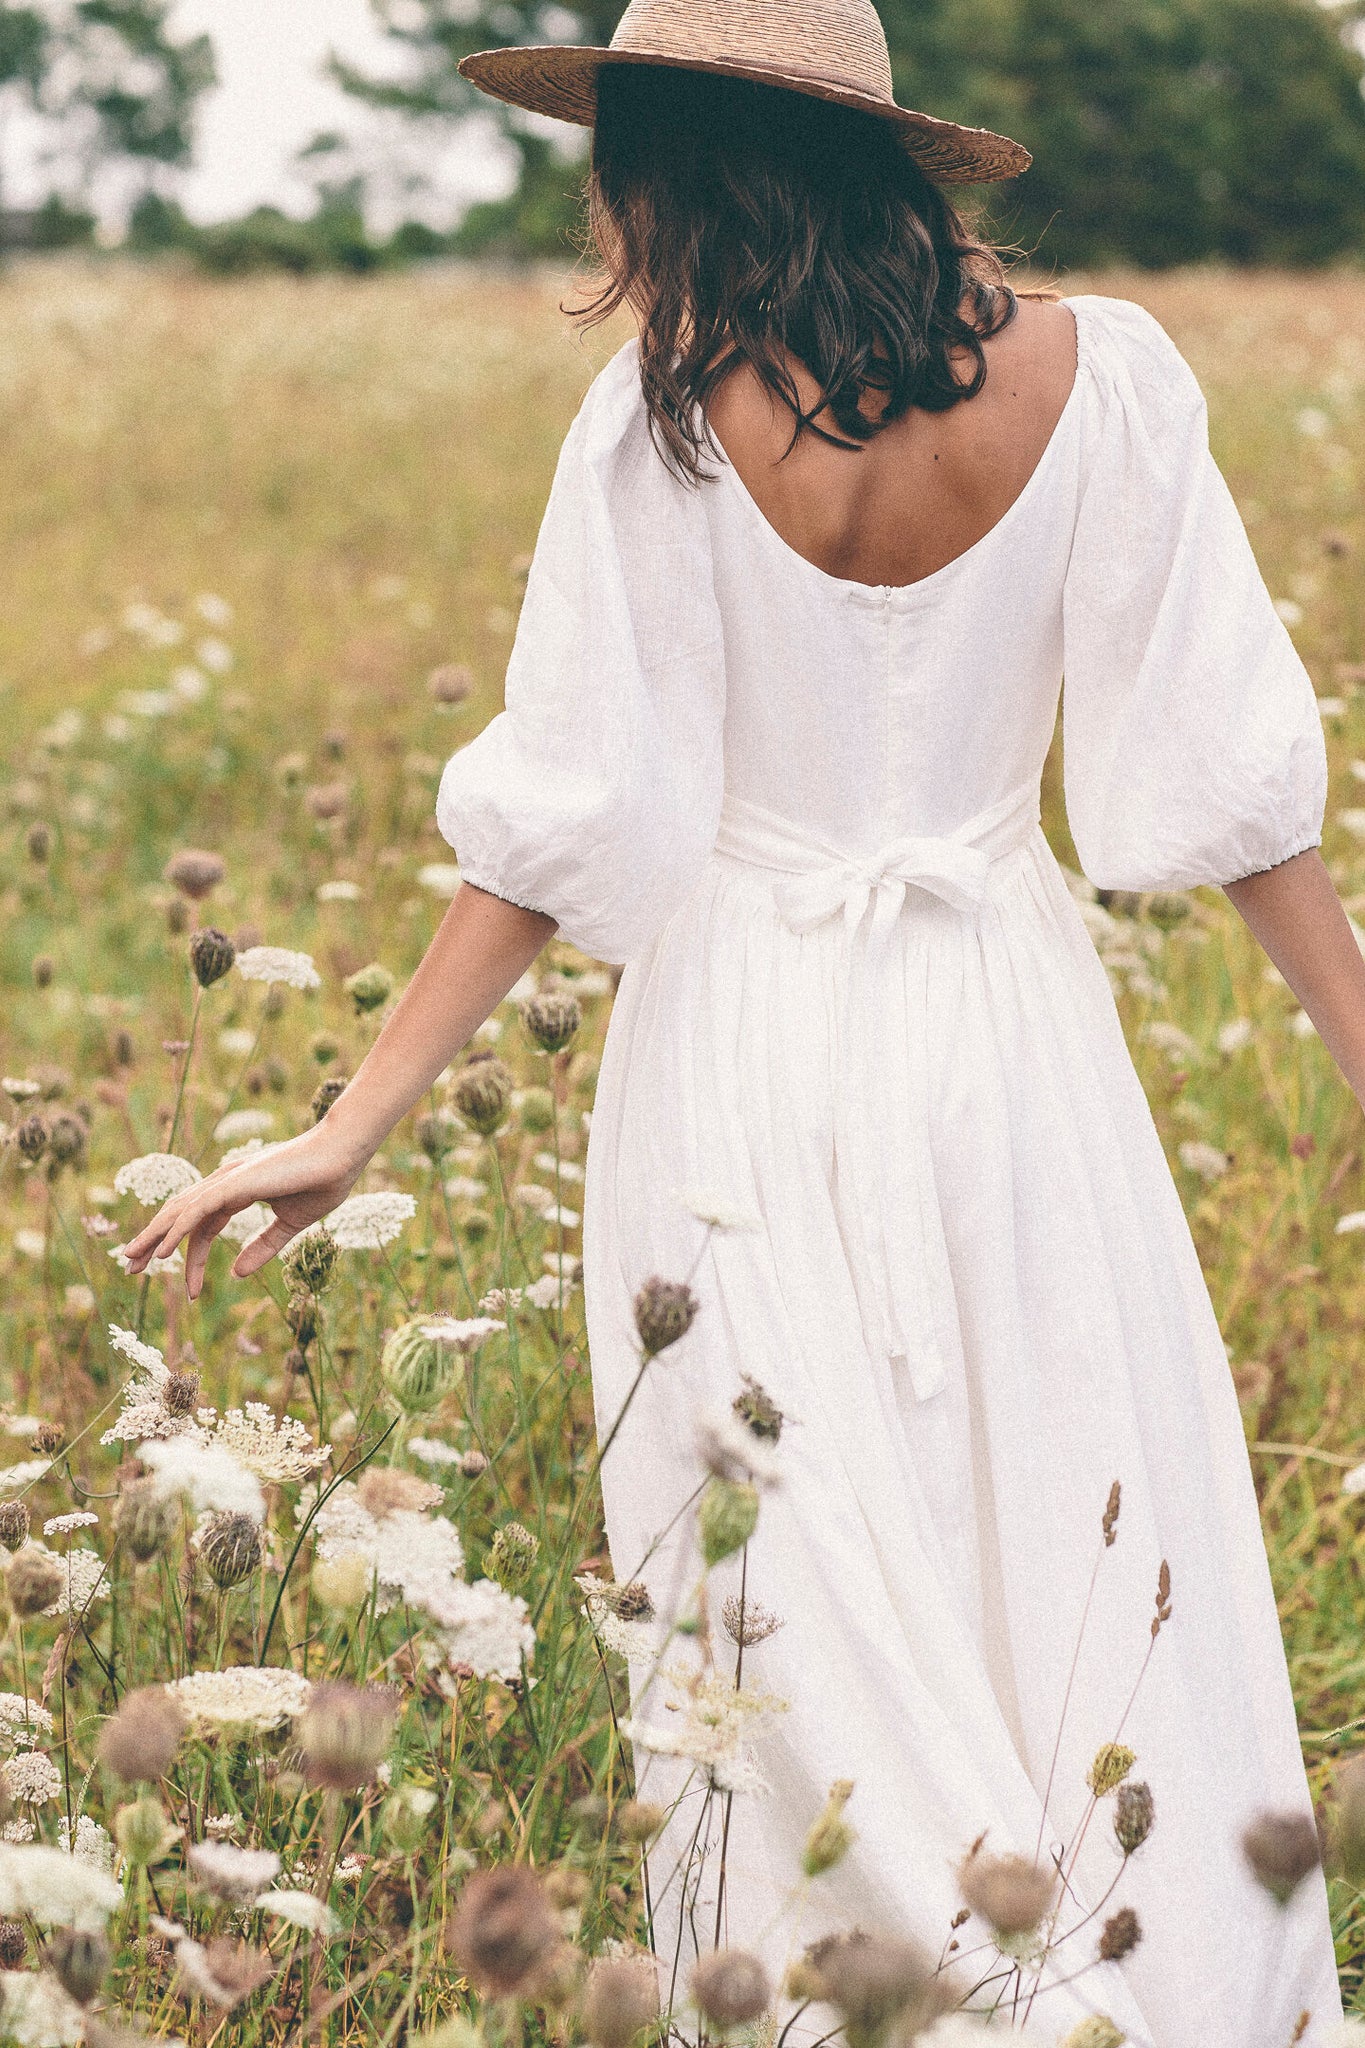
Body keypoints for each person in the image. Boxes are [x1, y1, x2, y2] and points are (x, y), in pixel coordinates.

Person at [124, 1, 1355, 2038]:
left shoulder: (658, 423)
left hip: (746, 1051)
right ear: (879, 155)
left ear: (675, 166)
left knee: (790, 1589)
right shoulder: (1103, 375)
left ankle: (892, 1999)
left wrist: (352, 1119)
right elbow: (1230, 799)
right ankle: (1146, 1995)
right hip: (1011, 1033)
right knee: (1071, 1522)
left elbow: (565, 828)